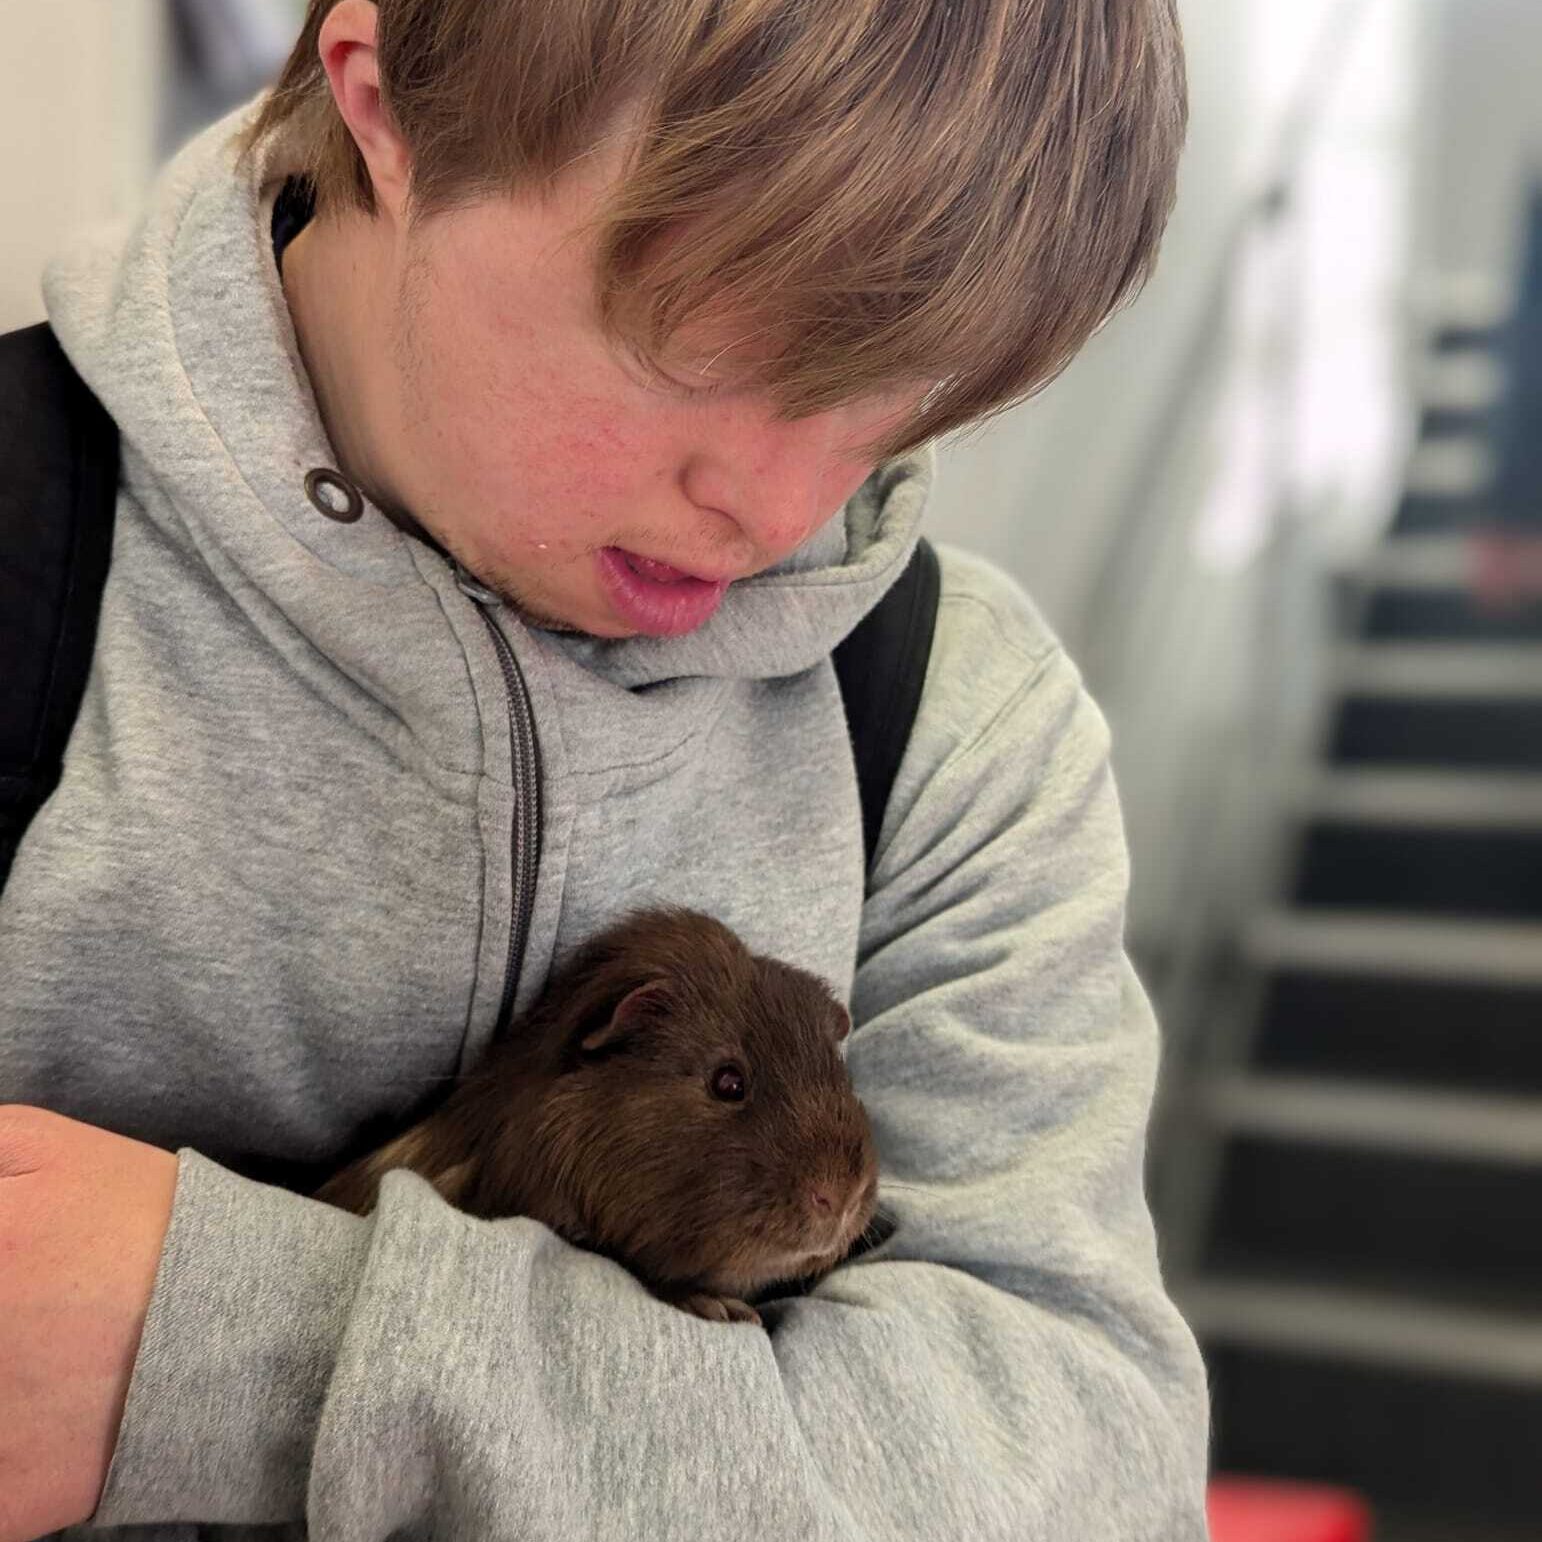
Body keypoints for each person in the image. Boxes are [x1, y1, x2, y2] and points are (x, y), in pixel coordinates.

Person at [0, 0, 1209, 1537]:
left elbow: (1088, 1472)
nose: (774, 507)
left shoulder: (960, 725)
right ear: (391, 104)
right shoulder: (30, 551)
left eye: (891, 392)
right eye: (691, 346)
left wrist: (232, 1350)